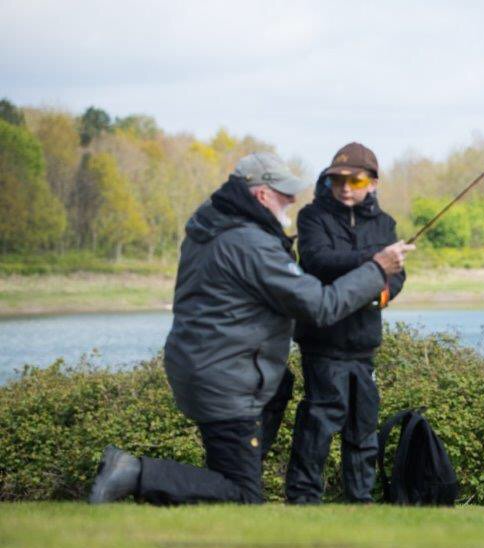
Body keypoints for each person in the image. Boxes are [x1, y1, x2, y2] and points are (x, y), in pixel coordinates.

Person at [88, 152, 414, 505]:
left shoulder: (212, 225)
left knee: (268, 409)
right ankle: (133, 472)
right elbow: (321, 306)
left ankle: (218, 480)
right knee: (241, 496)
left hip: (205, 366)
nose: (292, 200)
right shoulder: (251, 243)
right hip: (228, 380)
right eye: (285, 194)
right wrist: (377, 268)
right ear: (261, 196)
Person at [286, 142, 405, 504]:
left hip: (364, 342)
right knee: (321, 420)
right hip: (322, 341)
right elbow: (318, 260)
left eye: (354, 180)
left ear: (372, 183)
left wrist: (378, 292)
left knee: (363, 424)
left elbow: (396, 277)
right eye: (337, 179)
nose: (345, 187)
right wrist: (375, 262)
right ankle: (304, 497)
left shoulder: (385, 224)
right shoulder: (312, 217)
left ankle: (360, 498)